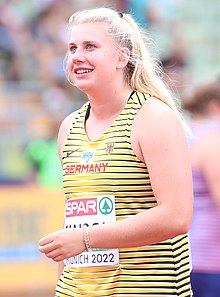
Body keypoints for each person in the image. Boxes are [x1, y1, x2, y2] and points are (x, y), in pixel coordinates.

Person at [38, 7, 193, 297]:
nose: (76, 57)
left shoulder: (152, 118)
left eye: (90, 46)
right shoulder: (69, 127)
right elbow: (74, 219)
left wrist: (85, 239)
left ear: (122, 57)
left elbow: (177, 216)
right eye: (72, 48)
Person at [182, 80, 220, 297]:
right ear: (215, 107)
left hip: (190, 256)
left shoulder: (186, 137)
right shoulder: (212, 141)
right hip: (212, 260)